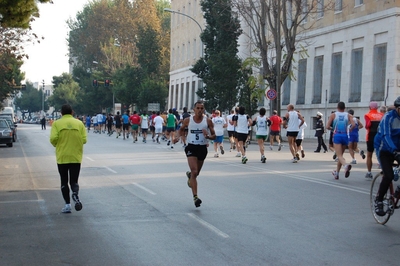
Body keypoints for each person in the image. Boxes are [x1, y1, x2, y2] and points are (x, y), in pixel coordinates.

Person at [173, 101, 216, 207]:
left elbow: (214, 135)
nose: (200, 110)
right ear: (194, 109)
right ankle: (195, 197)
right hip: (191, 147)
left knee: (196, 174)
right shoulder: (188, 120)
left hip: (202, 148)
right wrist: (178, 137)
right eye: (198, 108)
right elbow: (181, 129)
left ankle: (190, 177)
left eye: (202, 108)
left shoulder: (208, 121)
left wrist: (208, 137)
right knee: (194, 170)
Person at [50, 104, 87, 213]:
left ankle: (67, 205)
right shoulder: (79, 124)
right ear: (72, 112)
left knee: (64, 181)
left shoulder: (57, 124)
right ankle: (75, 194)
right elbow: (84, 140)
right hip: (75, 157)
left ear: (61, 113)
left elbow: (53, 139)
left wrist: (59, 144)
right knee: (74, 181)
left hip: (62, 157)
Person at [374, 97, 400, 216]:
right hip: (384, 147)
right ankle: (378, 200)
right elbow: (386, 135)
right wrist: (394, 151)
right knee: (388, 175)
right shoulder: (388, 117)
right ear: (397, 108)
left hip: (397, 147)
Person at [326, 102, 355, 179]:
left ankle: (346, 166)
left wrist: (332, 129)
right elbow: (354, 124)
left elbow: (327, 126)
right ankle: (337, 173)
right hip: (345, 135)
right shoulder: (348, 115)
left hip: (337, 135)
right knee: (341, 156)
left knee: (339, 156)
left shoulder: (333, 115)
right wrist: (350, 129)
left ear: (337, 107)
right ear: (344, 108)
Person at [364, 101, 384, 179]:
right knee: (381, 154)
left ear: (370, 107)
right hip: (380, 136)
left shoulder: (367, 115)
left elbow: (367, 125)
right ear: (377, 108)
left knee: (369, 155)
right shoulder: (381, 115)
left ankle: (369, 172)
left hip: (370, 137)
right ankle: (384, 170)